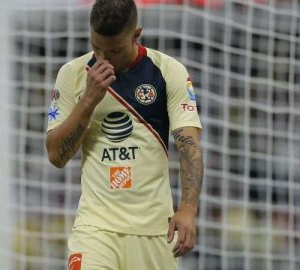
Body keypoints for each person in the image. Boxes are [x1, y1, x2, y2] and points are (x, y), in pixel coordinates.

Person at [46, 0, 203, 269]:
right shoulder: (72, 75)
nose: (104, 58)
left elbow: (188, 144)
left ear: (136, 34)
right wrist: (88, 101)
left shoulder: (167, 71)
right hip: (96, 229)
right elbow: (56, 156)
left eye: (115, 50)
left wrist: (188, 209)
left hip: (155, 232)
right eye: (97, 48)